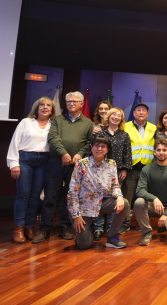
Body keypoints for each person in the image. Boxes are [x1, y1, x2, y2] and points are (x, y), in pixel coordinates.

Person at [33, 91, 94, 244]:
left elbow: (89, 142)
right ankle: (45, 228)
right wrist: (63, 153)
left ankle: (66, 227)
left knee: (71, 197)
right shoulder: (57, 120)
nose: (71, 104)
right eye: (68, 101)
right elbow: (52, 137)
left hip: (76, 165)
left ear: (81, 104)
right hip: (55, 162)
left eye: (74, 101)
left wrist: (80, 154)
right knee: (50, 196)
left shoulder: (88, 123)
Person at [67, 135, 129, 250]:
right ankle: (84, 232)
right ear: (91, 147)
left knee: (124, 203)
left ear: (107, 149)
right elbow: (72, 192)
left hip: (102, 202)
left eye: (103, 146)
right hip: (82, 207)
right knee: (84, 245)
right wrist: (76, 215)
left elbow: (115, 185)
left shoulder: (111, 164)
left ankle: (112, 237)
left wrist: (119, 197)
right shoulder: (81, 164)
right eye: (96, 145)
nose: (99, 149)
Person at [7, 97, 55, 243]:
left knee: (35, 196)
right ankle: (18, 229)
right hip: (25, 159)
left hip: (44, 161)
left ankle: (29, 227)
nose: (45, 107)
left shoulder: (53, 125)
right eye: (42, 105)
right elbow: (15, 142)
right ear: (37, 107)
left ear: (52, 110)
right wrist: (14, 163)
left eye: (48, 105)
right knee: (23, 195)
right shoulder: (26, 122)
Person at [92, 107, 132, 240]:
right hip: (99, 169)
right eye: (113, 115)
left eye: (119, 116)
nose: (116, 117)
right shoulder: (100, 133)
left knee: (115, 199)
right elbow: (92, 149)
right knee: (99, 198)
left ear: (121, 119)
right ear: (108, 116)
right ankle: (98, 227)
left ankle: (111, 228)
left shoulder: (124, 135)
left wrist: (125, 169)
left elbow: (127, 153)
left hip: (118, 171)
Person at [134, 139, 167, 246]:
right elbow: (139, 190)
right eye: (159, 150)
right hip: (153, 206)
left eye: (164, 150)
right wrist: (154, 199)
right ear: (154, 152)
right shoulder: (146, 169)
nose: (161, 152)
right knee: (139, 202)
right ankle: (146, 233)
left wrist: (166, 214)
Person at [121, 103, 157, 234]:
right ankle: (124, 223)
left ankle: (143, 225)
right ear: (134, 113)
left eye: (143, 111)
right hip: (130, 168)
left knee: (144, 199)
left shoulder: (153, 128)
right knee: (127, 197)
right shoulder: (125, 126)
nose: (141, 113)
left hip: (147, 169)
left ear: (147, 114)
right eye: (138, 110)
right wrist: (124, 167)